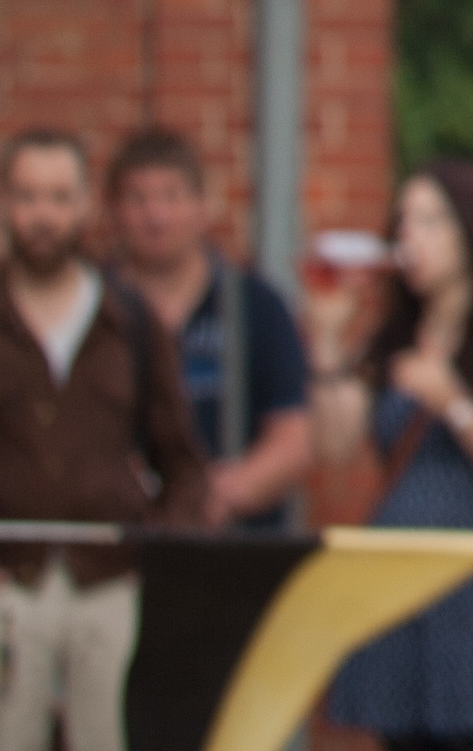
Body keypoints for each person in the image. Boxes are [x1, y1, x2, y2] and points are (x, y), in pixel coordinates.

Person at [311, 157, 473, 751]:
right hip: (399, 586)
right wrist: (326, 340)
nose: (410, 237)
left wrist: (454, 404)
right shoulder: (391, 341)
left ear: (472, 230)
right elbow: (334, 446)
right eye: (403, 222)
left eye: (430, 221)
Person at [0, 131, 213, 751]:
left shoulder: (130, 319)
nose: (43, 216)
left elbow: (182, 461)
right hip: (10, 579)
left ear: (86, 204)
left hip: (109, 579)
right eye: (27, 197)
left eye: (59, 197)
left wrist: (163, 556)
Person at [104, 126, 313, 532]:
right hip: (117, 543)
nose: (156, 217)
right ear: (113, 210)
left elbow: (296, 435)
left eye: (171, 196)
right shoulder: (92, 309)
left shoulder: (256, 306)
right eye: (138, 199)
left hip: (236, 542)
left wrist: (222, 491)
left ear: (202, 206)